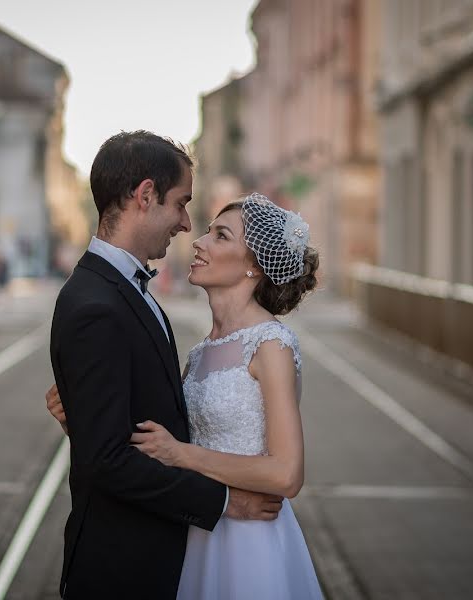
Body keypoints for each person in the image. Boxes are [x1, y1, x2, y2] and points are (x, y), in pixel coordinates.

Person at [48, 190, 323, 599]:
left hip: (250, 546)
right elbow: (154, 443)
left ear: (253, 266)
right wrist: (82, 421)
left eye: (221, 236)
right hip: (194, 533)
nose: (198, 240)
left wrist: (182, 454)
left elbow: (286, 474)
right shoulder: (198, 354)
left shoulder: (272, 345)